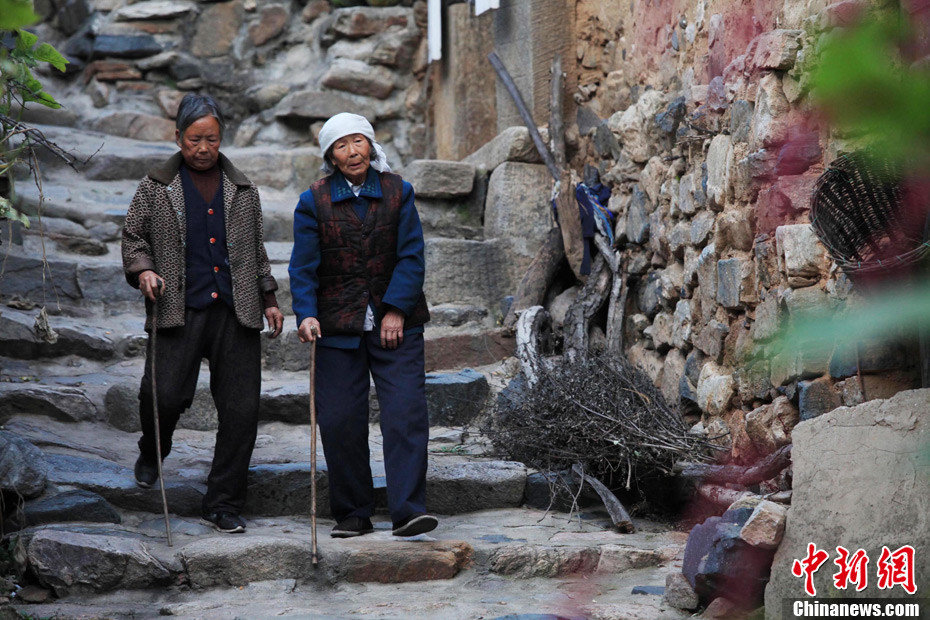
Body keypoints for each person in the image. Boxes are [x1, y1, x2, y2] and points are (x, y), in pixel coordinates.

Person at [121, 93, 284, 534]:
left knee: (241, 410)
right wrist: (145, 271)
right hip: (179, 306)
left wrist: (269, 298)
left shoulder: (243, 191)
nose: (203, 147)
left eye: (211, 138)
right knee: (164, 395)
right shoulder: (155, 188)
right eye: (194, 138)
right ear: (178, 137)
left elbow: (256, 252)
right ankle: (154, 449)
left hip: (236, 311)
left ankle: (223, 502)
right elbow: (133, 238)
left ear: (220, 138)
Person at [288, 112, 437, 538]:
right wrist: (307, 313)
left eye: (359, 142)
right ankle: (353, 513)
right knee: (339, 419)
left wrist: (395, 310)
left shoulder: (398, 192)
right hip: (336, 325)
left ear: (371, 146)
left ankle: (408, 510)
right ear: (330, 157)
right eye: (341, 145)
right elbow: (303, 267)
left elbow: (412, 256)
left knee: (405, 412)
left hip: (397, 324)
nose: (352, 152)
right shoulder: (312, 201)